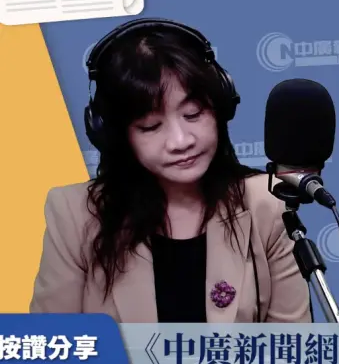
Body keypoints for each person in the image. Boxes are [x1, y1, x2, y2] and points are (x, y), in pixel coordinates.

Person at [29, 18, 311, 323]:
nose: (180, 141)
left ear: (220, 108)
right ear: (116, 136)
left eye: (193, 114)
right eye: (151, 126)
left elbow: (292, 340)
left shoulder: (267, 205)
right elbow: (54, 340)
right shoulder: (75, 215)